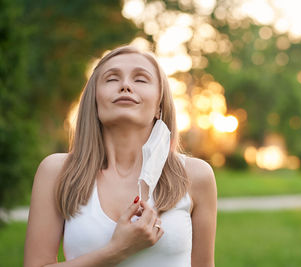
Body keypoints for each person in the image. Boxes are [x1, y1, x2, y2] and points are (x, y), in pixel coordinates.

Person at [24, 45, 217, 267]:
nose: (125, 85)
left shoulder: (196, 176)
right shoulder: (56, 171)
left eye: (141, 79)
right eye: (112, 79)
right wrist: (117, 250)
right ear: (94, 101)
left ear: (159, 106)